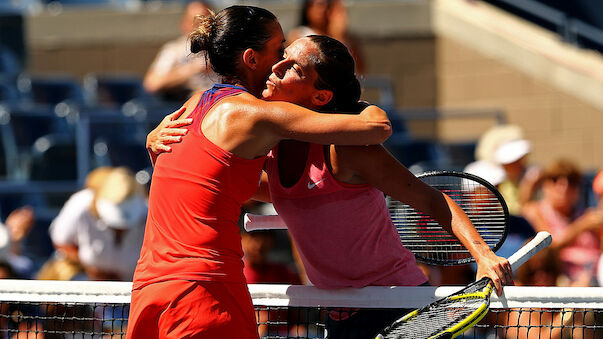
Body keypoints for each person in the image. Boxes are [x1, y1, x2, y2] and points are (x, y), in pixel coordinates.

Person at [149, 34, 512, 339]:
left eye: (292, 67)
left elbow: (432, 200)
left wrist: (483, 255)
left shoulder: (348, 153)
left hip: (395, 302)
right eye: (282, 56)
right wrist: (160, 144)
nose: (275, 67)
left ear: (320, 97)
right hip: (338, 315)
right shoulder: (268, 151)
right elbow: (222, 182)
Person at [129, 6, 391, 339]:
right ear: (252, 59)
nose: (284, 60)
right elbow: (376, 127)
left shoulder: (191, 105)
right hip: (204, 292)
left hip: (149, 290)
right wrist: (350, 96)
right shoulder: (256, 114)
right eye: (280, 50)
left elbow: (207, 181)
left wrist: (151, 140)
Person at [47, 167, 147, 281]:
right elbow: (61, 241)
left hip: (132, 287)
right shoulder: (81, 204)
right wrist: (89, 268)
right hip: (85, 279)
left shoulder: (149, 213)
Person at [523, 159, 603, 285]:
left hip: (595, 275)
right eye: (555, 180)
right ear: (545, 185)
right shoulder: (535, 211)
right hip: (561, 280)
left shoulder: (587, 214)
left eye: (571, 182)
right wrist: (582, 226)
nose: (564, 187)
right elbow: (550, 244)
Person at [143, 1, 216, 101]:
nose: (202, 28)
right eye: (197, 22)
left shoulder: (222, 48)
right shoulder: (175, 50)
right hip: (189, 103)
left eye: (207, 22)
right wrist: (193, 68)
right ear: (185, 24)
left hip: (221, 102)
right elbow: (153, 83)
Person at [288, 0, 365, 74]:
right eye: (320, 4)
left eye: (328, 5)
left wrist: (340, 35)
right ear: (308, 8)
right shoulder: (299, 35)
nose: (324, 9)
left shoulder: (347, 37)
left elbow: (360, 70)